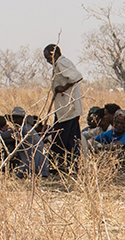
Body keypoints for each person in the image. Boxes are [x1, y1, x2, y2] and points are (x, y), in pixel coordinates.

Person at [44, 43, 84, 176]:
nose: (48, 62)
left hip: (67, 109)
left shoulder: (61, 63)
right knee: (70, 140)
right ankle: (71, 167)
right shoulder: (59, 64)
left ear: (54, 54)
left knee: (60, 139)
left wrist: (63, 88)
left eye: (48, 58)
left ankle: (62, 166)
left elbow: (77, 76)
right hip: (65, 109)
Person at [93, 109, 125, 173]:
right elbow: (95, 139)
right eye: (117, 122)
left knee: (116, 152)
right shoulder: (111, 132)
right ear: (114, 122)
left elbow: (117, 145)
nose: (119, 125)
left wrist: (101, 147)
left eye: (121, 123)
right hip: (116, 164)